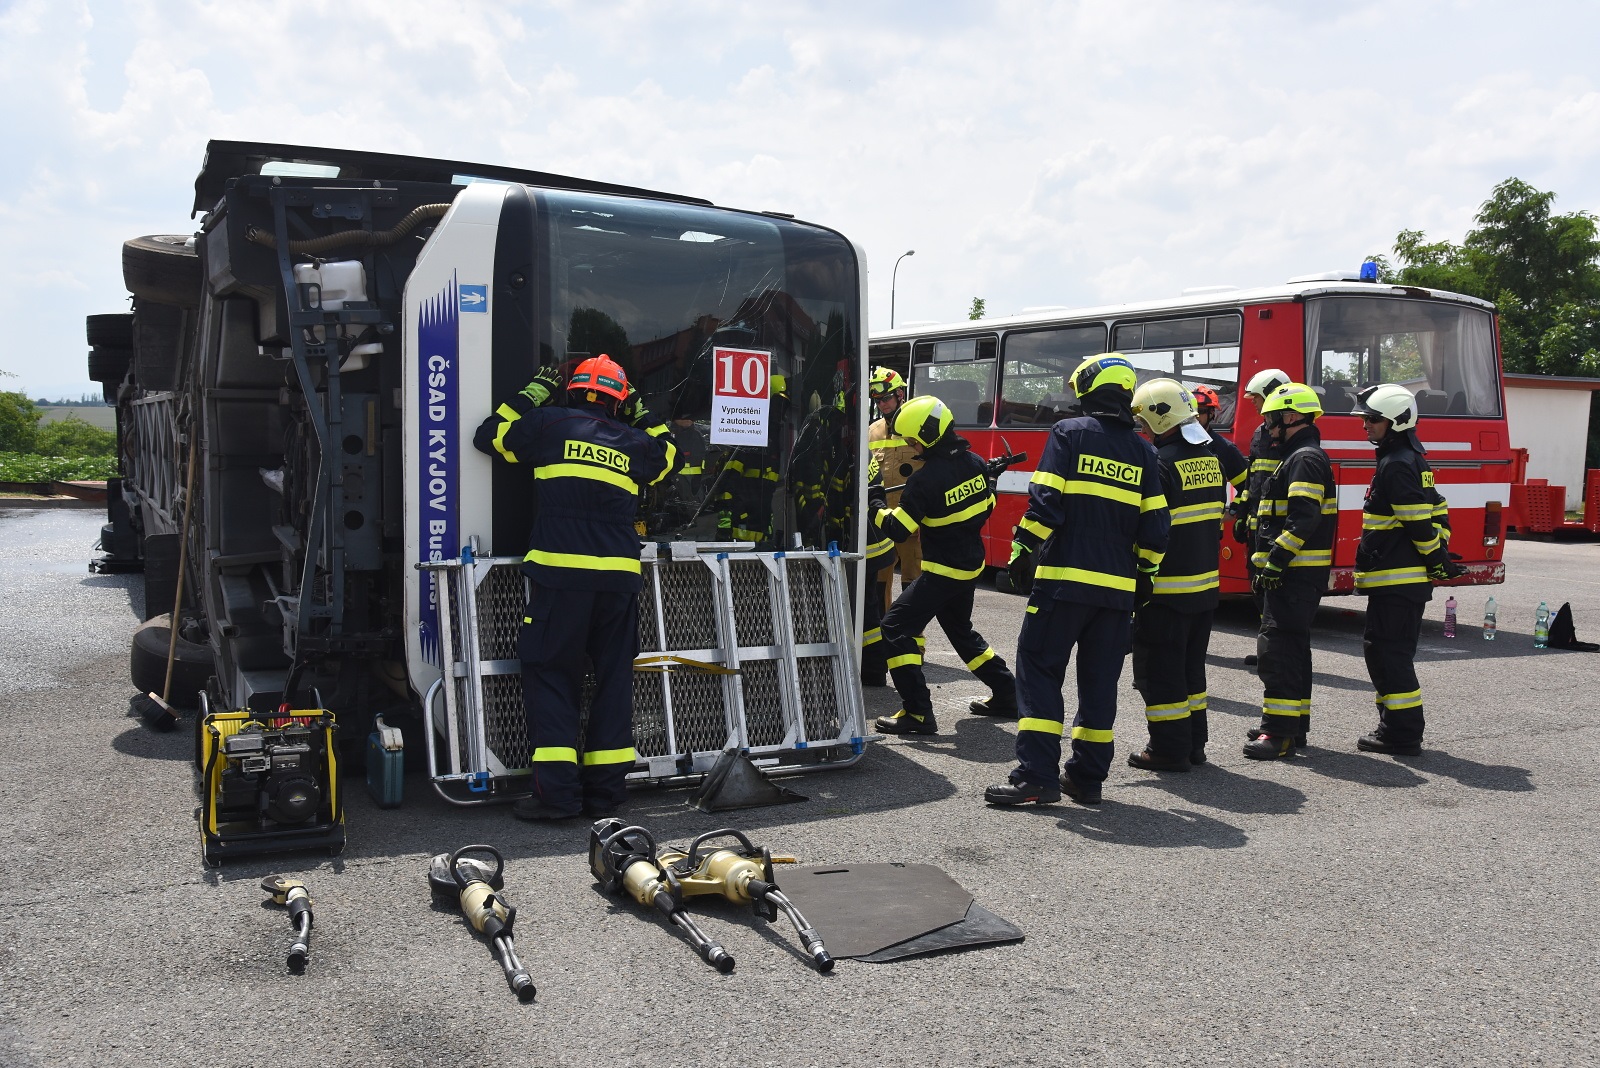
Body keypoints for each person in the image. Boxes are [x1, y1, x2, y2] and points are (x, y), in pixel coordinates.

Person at [473, 356, 673, 820]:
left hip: (561, 577)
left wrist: (535, 392)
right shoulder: (632, 440)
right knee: (613, 680)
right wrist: (642, 411)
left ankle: (557, 796)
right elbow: (669, 457)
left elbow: (489, 436)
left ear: (572, 390)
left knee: (552, 676)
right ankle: (605, 795)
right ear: (619, 400)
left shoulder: (548, 423)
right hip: (619, 580)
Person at [986, 355, 1169, 807]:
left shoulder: (1070, 433)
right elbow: (1156, 525)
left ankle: (1037, 776)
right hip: (1116, 592)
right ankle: (1087, 778)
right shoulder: (1145, 450)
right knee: (1099, 682)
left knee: (1039, 670)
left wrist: (1021, 551)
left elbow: (1046, 501)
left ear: (1088, 390)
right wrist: (1146, 573)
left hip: (1064, 584)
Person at [870, 394, 1017, 735]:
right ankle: (1009, 694)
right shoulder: (977, 463)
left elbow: (898, 529)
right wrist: (988, 478)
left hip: (941, 572)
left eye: (912, 440)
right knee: (961, 632)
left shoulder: (924, 480)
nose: (911, 445)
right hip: (968, 567)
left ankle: (917, 713)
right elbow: (988, 506)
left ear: (928, 436)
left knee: (894, 628)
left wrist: (875, 500)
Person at [1352, 383, 1458, 756]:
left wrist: (1436, 558)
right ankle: (1394, 727)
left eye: (1373, 419)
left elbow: (1416, 520)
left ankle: (1402, 733)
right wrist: (1438, 554)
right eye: (1366, 418)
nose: (1366, 425)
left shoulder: (1397, 464)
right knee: (1388, 652)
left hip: (1397, 581)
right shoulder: (1411, 459)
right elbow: (1438, 508)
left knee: (1387, 654)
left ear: (1396, 422)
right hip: (1401, 581)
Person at [1127, 379, 1227, 771]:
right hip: (1203, 588)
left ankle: (1168, 750)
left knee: (1159, 672)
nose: (1141, 428)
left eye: (1143, 420)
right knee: (1190, 672)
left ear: (1158, 415)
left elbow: (1151, 529)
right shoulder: (1210, 458)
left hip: (1165, 591)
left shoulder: (1160, 463)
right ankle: (1193, 744)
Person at [1243, 382, 1335, 760]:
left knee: (1277, 649)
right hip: (1298, 573)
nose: (1266, 425)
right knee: (1293, 648)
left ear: (1291, 416)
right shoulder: (1300, 455)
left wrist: (1276, 560)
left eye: (1271, 417)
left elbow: (1303, 517)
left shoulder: (1303, 459)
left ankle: (1277, 733)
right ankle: (1293, 726)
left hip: (1294, 573)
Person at [1233, 368, 1291, 666]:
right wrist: (1242, 512)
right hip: (1256, 522)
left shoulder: (1286, 436)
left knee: (1273, 589)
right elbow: (1252, 479)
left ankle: (1275, 651)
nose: (1253, 403)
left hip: (1275, 526)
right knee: (1256, 585)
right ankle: (1265, 645)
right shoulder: (1260, 433)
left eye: (1256, 398)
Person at [867, 367, 922, 611]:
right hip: (881, 525)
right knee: (879, 587)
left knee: (914, 589)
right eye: (878, 400)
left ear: (900, 394)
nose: (882, 404)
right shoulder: (872, 431)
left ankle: (913, 644)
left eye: (886, 398)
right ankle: (883, 642)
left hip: (912, 525)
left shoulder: (917, 427)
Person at [859, 453, 898, 688]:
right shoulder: (865, 451)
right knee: (869, 610)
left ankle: (873, 671)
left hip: (865, 545)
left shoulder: (851, 450)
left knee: (864, 611)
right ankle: (874, 672)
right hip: (874, 544)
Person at [1191, 384, 1247, 499]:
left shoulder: (1225, 449)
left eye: (1200, 411)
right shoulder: (1176, 444)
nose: (1195, 416)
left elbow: (1246, 488)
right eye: (1192, 410)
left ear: (1211, 413)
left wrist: (1233, 510)